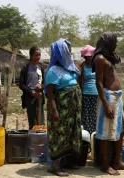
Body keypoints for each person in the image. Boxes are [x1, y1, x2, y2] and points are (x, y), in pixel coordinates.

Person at [91, 32, 124, 175]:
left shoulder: (109, 57)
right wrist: (106, 105)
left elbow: (117, 60)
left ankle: (117, 161)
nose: (116, 44)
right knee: (104, 131)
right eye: (114, 41)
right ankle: (104, 164)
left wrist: (114, 54)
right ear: (107, 42)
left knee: (120, 130)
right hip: (107, 98)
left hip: (117, 97)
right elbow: (99, 83)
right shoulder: (100, 59)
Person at [45, 38, 82, 177]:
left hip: (72, 109)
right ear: (61, 52)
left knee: (71, 133)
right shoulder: (53, 71)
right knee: (59, 134)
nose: (70, 53)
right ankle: (55, 166)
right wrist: (54, 111)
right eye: (68, 50)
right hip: (61, 109)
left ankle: (67, 161)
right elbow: (50, 94)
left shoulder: (71, 67)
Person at [19, 46, 45, 129]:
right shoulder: (25, 68)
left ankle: (41, 138)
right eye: (36, 55)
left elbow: (45, 82)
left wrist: (41, 86)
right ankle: (33, 138)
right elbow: (21, 84)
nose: (38, 57)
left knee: (40, 118)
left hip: (39, 96)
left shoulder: (40, 68)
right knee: (32, 119)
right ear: (31, 55)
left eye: (39, 55)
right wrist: (31, 92)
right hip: (30, 96)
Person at [77, 45, 98, 135]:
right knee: (86, 115)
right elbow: (79, 83)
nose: (91, 58)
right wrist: (80, 98)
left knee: (95, 115)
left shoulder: (97, 65)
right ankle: (87, 134)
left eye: (92, 56)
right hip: (86, 94)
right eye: (89, 56)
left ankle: (94, 133)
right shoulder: (81, 67)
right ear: (85, 57)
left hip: (96, 94)